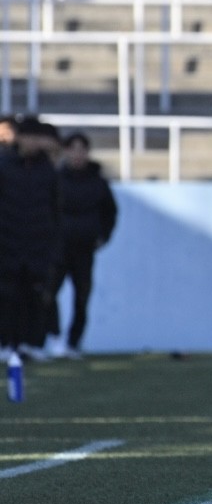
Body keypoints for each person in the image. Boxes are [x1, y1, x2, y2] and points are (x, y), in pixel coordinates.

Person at [0, 117, 63, 362]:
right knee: (7, 297)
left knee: (36, 297)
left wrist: (52, 244)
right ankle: (6, 343)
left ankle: (33, 343)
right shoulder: (4, 166)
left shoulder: (48, 170)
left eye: (37, 138)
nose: (33, 143)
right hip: (7, 244)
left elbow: (56, 210)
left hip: (38, 245)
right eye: (29, 137)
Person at [51, 132, 117, 358]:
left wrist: (103, 236)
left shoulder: (98, 182)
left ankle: (74, 342)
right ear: (66, 151)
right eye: (73, 149)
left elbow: (110, 212)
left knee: (82, 297)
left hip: (85, 249)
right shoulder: (56, 179)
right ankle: (54, 338)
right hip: (58, 248)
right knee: (48, 294)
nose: (78, 154)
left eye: (82, 150)